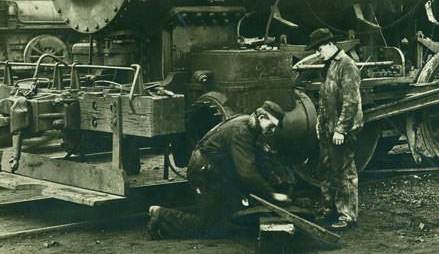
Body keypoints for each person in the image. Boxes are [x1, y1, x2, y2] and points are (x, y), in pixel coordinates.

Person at [147, 101, 292, 239]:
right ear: (261, 117)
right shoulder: (242, 131)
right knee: (210, 228)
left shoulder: (246, 122)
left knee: (227, 218)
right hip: (204, 173)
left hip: (213, 170)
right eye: (271, 126)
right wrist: (271, 194)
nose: (271, 131)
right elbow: (247, 172)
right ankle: (161, 215)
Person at [303, 27, 363, 230]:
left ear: (330, 45)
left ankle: (347, 215)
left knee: (345, 170)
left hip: (342, 128)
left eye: (319, 49)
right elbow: (325, 99)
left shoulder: (346, 65)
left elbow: (351, 101)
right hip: (329, 126)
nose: (318, 54)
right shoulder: (329, 66)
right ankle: (329, 208)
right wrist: (321, 123)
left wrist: (341, 129)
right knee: (327, 168)